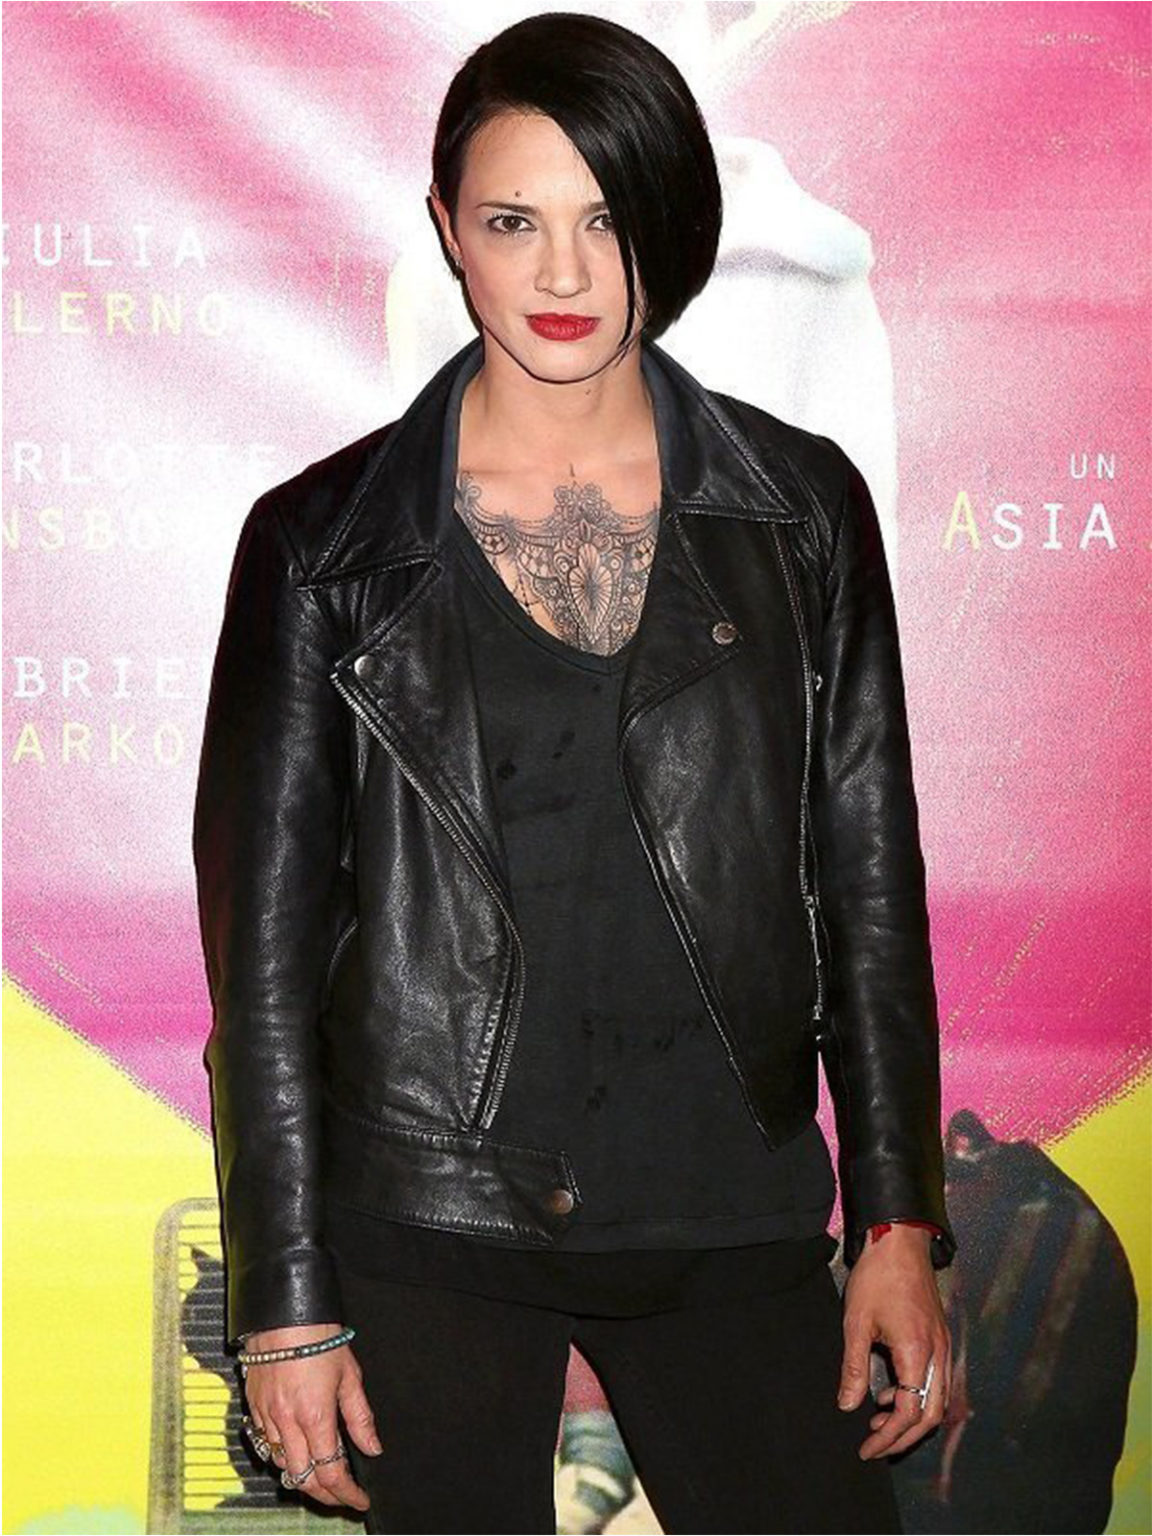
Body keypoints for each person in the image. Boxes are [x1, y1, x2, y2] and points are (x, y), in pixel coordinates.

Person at [192, 13, 956, 1534]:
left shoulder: (800, 511)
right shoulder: (322, 544)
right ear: (446, 230)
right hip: (426, 1209)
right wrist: (284, 1299)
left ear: (673, 223)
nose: (561, 273)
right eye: (512, 221)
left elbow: (867, 883)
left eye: (606, 219)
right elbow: (261, 962)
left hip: (729, 1196)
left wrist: (898, 1217)